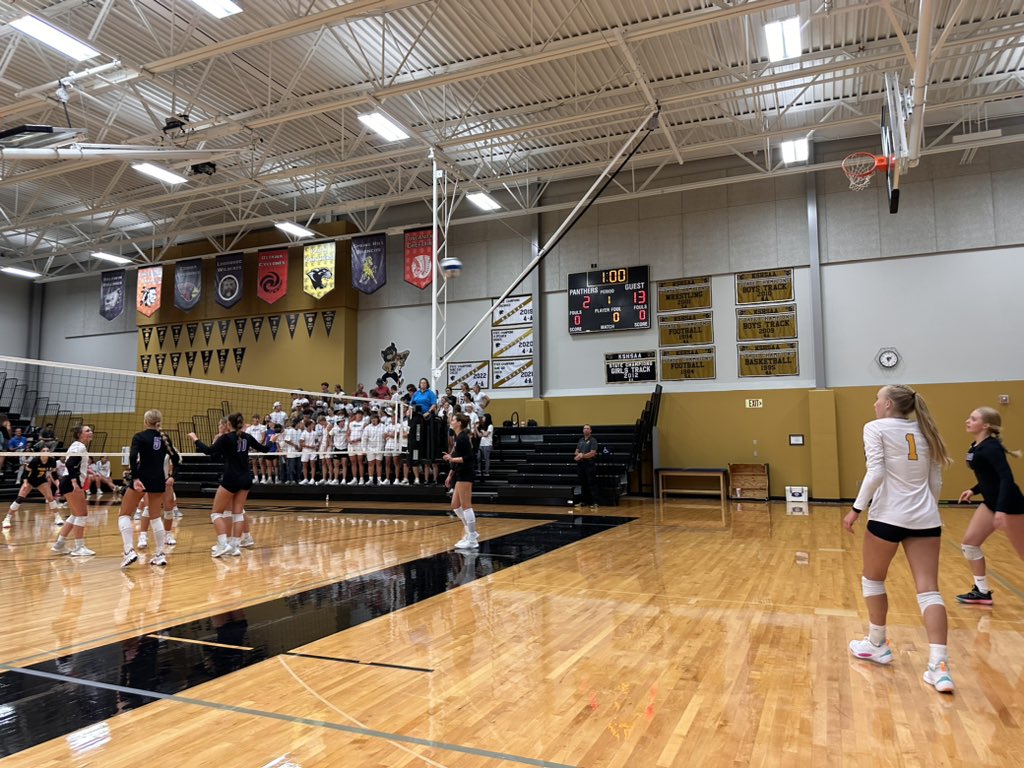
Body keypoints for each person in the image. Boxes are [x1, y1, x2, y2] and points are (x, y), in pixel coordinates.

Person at [842, 385, 955, 694]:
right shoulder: (925, 429)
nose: (875, 404)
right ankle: (939, 667)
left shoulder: (874, 427)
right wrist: (926, 510)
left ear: (888, 403)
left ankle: (877, 643)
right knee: (929, 590)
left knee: (873, 580)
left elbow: (875, 472)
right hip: (926, 520)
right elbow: (936, 480)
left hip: (888, 517)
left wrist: (855, 509)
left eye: (878, 399)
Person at [955, 407, 1024, 604]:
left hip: (1010, 505)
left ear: (985, 425)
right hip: (991, 502)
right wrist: (974, 490)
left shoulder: (991, 447)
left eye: (973, 418)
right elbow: (989, 477)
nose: (968, 420)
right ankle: (982, 591)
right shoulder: (977, 446)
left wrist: (1001, 509)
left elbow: (1006, 478)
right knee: (969, 544)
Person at [188, 412, 267, 557]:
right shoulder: (247, 437)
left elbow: (208, 451)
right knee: (237, 513)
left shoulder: (225, 438)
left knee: (216, 513)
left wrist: (195, 439)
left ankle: (223, 544)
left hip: (231, 478)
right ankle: (234, 545)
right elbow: (265, 449)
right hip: (246, 478)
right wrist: (273, 440)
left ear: (228, 424)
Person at [118, 410, 173, 568]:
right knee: (155, 517)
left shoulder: (139, 436)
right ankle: (160, 554)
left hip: (142, 478)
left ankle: (129, 551)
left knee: (124, 514)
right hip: (158, 480)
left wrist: (135, 478)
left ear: (145, 421)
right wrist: (170, 475)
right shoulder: (164, 438)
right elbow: (176, 458)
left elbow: (132, 457)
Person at [50, 425, 96, 556]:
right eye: (87, 431)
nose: (90, 432)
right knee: (82, 514)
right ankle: (79, 547)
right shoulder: (79, 447)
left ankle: (59, 544)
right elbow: (70, 464)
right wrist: (75, 482)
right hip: (71, 483)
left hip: (67, 482)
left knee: (75, 515)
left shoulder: (77, 445)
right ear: (80, 434)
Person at [443, 412, 478, 549]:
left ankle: (473, 537)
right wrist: (450, 474)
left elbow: (469, 457)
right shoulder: (458, 438)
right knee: (455, 505)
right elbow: (456, 459)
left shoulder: (463, 438)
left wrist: (451, 459)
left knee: (466, 505)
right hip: (459, 473)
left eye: (453, 420)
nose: (451, 421)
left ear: (459, 423)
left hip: (466, 473)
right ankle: (469, 533)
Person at [4, 447, 62, 528]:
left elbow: (54, 475)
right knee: (20, 498)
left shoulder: (52, 461)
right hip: (30, 480)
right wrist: (25, 483)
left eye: (47, 451)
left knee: (50, 498)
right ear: (40, 452)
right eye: (43, 450)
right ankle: (7, 519)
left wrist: (58, 484)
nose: (46, 452)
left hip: (41, 480)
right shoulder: (35, 460)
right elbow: (26, 472)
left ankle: (58, 518)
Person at [574, 424, 600, 509]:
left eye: (587, 428)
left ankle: (595, 502)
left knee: (592, 483)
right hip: (581, 465)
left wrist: (582, 456)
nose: (586, 430)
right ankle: (584, 501)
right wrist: (579, 455)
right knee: (583, 483)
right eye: (584, 428)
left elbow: (592, 453)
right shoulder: (580, 440)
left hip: (589, 464)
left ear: (590, 430)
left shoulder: (593, 440)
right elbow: (576, 451)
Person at [477, 413, 494, 478]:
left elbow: (486, 434)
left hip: (487, 444)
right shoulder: (483, 426)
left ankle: (487, 471)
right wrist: (476, 428)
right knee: (479, 457)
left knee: (486, 458)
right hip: (482, 444)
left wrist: (482, 431)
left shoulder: (490, 426)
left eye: (484, 417)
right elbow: (479, 435)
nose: (483, 418)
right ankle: (479, 470)